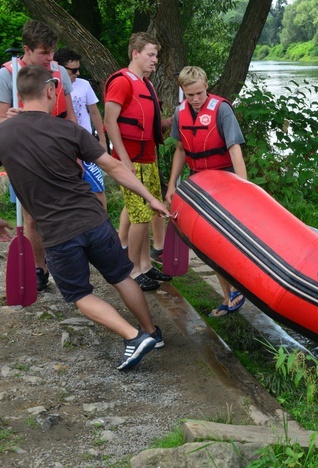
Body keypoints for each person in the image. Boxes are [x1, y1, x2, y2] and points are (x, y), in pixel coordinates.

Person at [0, 65, 170, 370]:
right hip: (94, 221)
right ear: (51, 91)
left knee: (79, 293)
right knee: (121, 275)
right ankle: (150, 332)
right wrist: (151, 198)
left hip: (58, 232)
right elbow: (116, 168)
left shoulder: (4, 134)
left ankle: (133, 337)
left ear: (20, 97)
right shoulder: (70, 130)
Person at [164, 66, 248, 317]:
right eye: (190, 95)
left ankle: (240, 287)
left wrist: (245, 188)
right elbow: (180, 150)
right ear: (183, 93)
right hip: (199, 182)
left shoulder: (221, 110)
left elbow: (235, 149)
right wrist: (171, 186)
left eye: (200, 93)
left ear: (206, 86)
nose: (196, 99)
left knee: (229, 239)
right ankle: (229, 294)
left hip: (225, 180)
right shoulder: (180, 114)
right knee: (210, 242)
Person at [1, 20, 77, 292]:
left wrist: (77, 151)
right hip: (24, 153)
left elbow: (70, 116)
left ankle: (64, 262)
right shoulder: (8, 73)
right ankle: (39, 269)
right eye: (44, 52)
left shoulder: (58, 72)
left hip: (56, 149)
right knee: (32, 216)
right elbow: (0, 120)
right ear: (27, 50)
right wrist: (8, 118)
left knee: (63, 211)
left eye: (52, 51)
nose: (50, 58)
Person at [104, 32, 172, 292]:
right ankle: (132, 270)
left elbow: (147, 123)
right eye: (151, 55)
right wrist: (123, 159)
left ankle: (145, 266)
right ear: (136, 53)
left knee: (150, 212)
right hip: (130, 160)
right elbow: (110, 122)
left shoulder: (148, 84)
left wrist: (168, 123)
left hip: (148, 157)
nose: (155, 60)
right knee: (139, 215)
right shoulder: (122, 82)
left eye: (156, 55)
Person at [54, 47, 108, 209]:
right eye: (74, 70)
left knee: (97, 188)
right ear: (61, 69)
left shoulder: (83, 84)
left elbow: (94, 112)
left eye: (79, 69)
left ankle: (104, 224)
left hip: (86, 144)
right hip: (63, 147)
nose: (78, 73)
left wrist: (102, 140)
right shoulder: (53, 87)